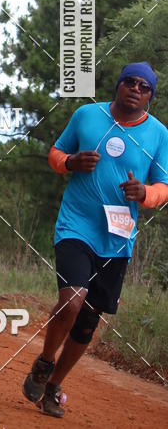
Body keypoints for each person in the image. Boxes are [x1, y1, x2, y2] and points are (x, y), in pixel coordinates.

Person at [22, 62, 168, 417]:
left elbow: (164, 186)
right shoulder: (87, 115)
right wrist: (71, 162)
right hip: (76, 224)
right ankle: (45, 361)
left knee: (89, 318)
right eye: (130, 82)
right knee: (72, 301)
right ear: (118, 84)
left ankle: (54, 385)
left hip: (117, 236)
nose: (135, 89)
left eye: (144, 86)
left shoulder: (159, 134)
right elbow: (55, 154)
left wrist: (145, 193)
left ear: (150, 95)